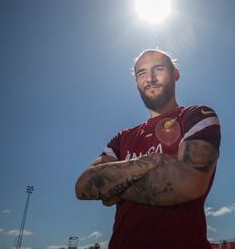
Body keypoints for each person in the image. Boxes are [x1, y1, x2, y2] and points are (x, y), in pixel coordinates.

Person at [75, 49, 221, 249]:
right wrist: (154, 160)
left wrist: (113, 188)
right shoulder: (122, 138)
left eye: (158, 69)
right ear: (136, 83)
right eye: (141, 73)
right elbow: (83, 186)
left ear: (175, 74)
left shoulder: (197, 116)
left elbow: (188, 182)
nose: (150, 78)